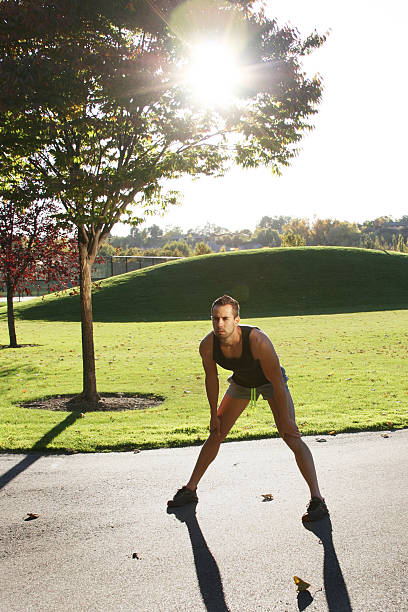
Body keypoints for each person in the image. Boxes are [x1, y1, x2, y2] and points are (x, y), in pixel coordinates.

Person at [167, 294, 328, 522]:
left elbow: (278, 383)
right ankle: (190, 489)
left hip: (271, 383)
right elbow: (211, 380)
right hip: (242, 382)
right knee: (217, 433)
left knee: (290, 435)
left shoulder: (258, 341)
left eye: (225, 318)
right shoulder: (208, 346)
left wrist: (287, 420)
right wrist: (213, 415)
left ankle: (318, 500)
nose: (219, 324)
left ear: (237, 320)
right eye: (215, 319)